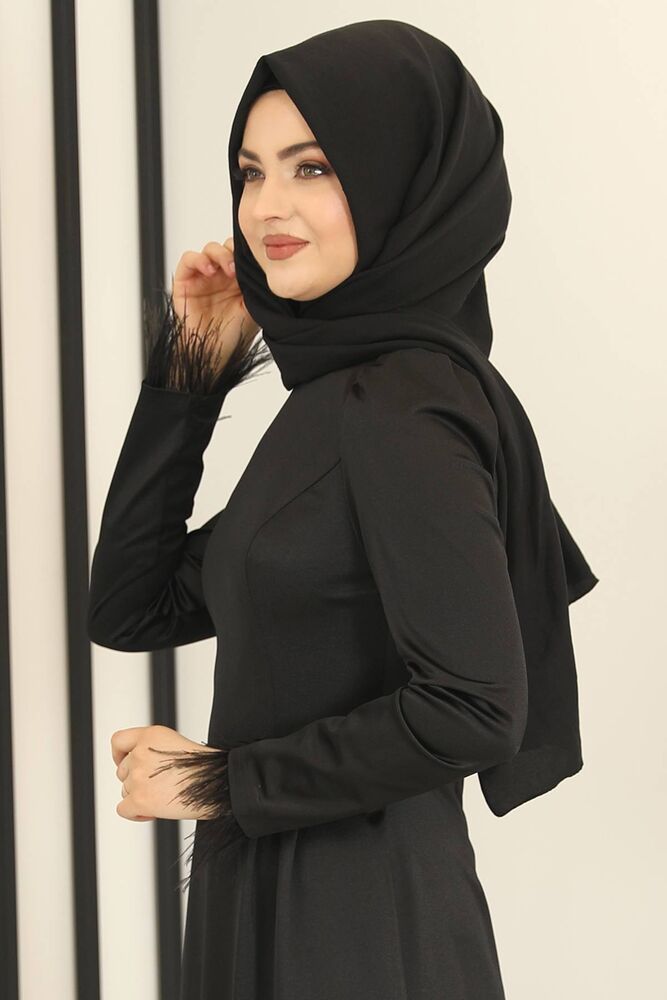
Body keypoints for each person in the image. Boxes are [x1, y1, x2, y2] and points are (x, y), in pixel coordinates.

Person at [87, 19, 599, 1000]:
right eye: (251, 172)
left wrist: (219, 781)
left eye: (312, 167)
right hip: (288, 892)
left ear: (406, 182)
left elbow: (475, 709)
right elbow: (130, 605)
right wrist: (192, 368)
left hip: (352, 927)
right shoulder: (338, 401)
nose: (266, 207)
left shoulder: (401, 404)